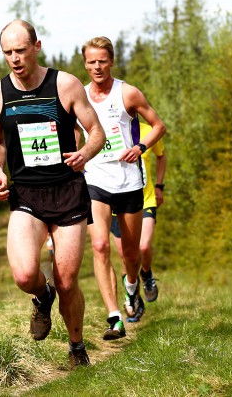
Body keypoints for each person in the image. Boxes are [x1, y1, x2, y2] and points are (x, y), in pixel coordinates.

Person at [0, 20, 106, 369]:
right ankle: (41, 295)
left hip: (67, 191)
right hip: (26, 196)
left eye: (21, 50)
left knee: (68, 282)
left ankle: (77, 347)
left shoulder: (64, 85)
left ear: (37, 46)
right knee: (24, 275)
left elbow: (95, 131)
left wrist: (85, 153)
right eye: (8, 52)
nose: (15, 59)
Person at [78, 36, 166, 340]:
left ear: (111, 61)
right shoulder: (79, 95)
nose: (97, 66)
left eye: (102, 60)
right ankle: (114, 317)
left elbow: (159, 126)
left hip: (129, 180)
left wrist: (140, 147)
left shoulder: (127, 93)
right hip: (95, 179)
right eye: (91, 61)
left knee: (131, 254)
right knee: (101, 246)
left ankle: (132, 288)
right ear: (85, 64)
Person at [111, 121, 166, 316]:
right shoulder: (107, 126)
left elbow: (161, 156)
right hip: (116, 202)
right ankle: (134, 300)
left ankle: (147, 274)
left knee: (143, 246)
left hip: (146, 198)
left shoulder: (148, 130)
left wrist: (160, 186)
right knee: (127, 257)